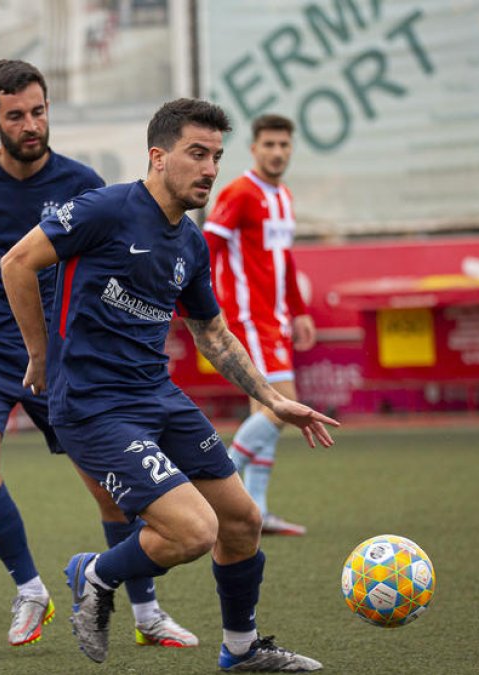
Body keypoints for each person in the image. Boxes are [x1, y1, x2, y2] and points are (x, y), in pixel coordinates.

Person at [0, 98, 337, 670]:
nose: (210, 169)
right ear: (158, 157)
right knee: (193, 532)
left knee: (241, 521)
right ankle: (94, 573)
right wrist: (39, 354)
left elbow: (214, 334)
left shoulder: (190, 243)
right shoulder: (104, 209)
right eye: (196, 154)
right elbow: (16, 262)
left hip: (157, 396)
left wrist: (274, 399)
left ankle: (241, 650)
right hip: (93, 405)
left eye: (217, 157)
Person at [0, 59, 198, 649]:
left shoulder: (82, 183)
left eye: (39, 111)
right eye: (16, 116)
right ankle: (30, 589)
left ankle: (146, 613)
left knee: (110, 485)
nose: (31, 124)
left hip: (58, 354)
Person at [203, 114, 316, 536]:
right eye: (269, 144)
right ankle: (213, 490)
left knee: (270, 412)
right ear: (253, 149)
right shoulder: (239, 193)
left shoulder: (283, 196)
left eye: (284, 145)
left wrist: (299, 310)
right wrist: (199, 302)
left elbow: (284, 259)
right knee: (279, 407)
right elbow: (208, 246)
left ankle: (256, 511)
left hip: (276, 320)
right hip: (247, 318)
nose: (277, 152)